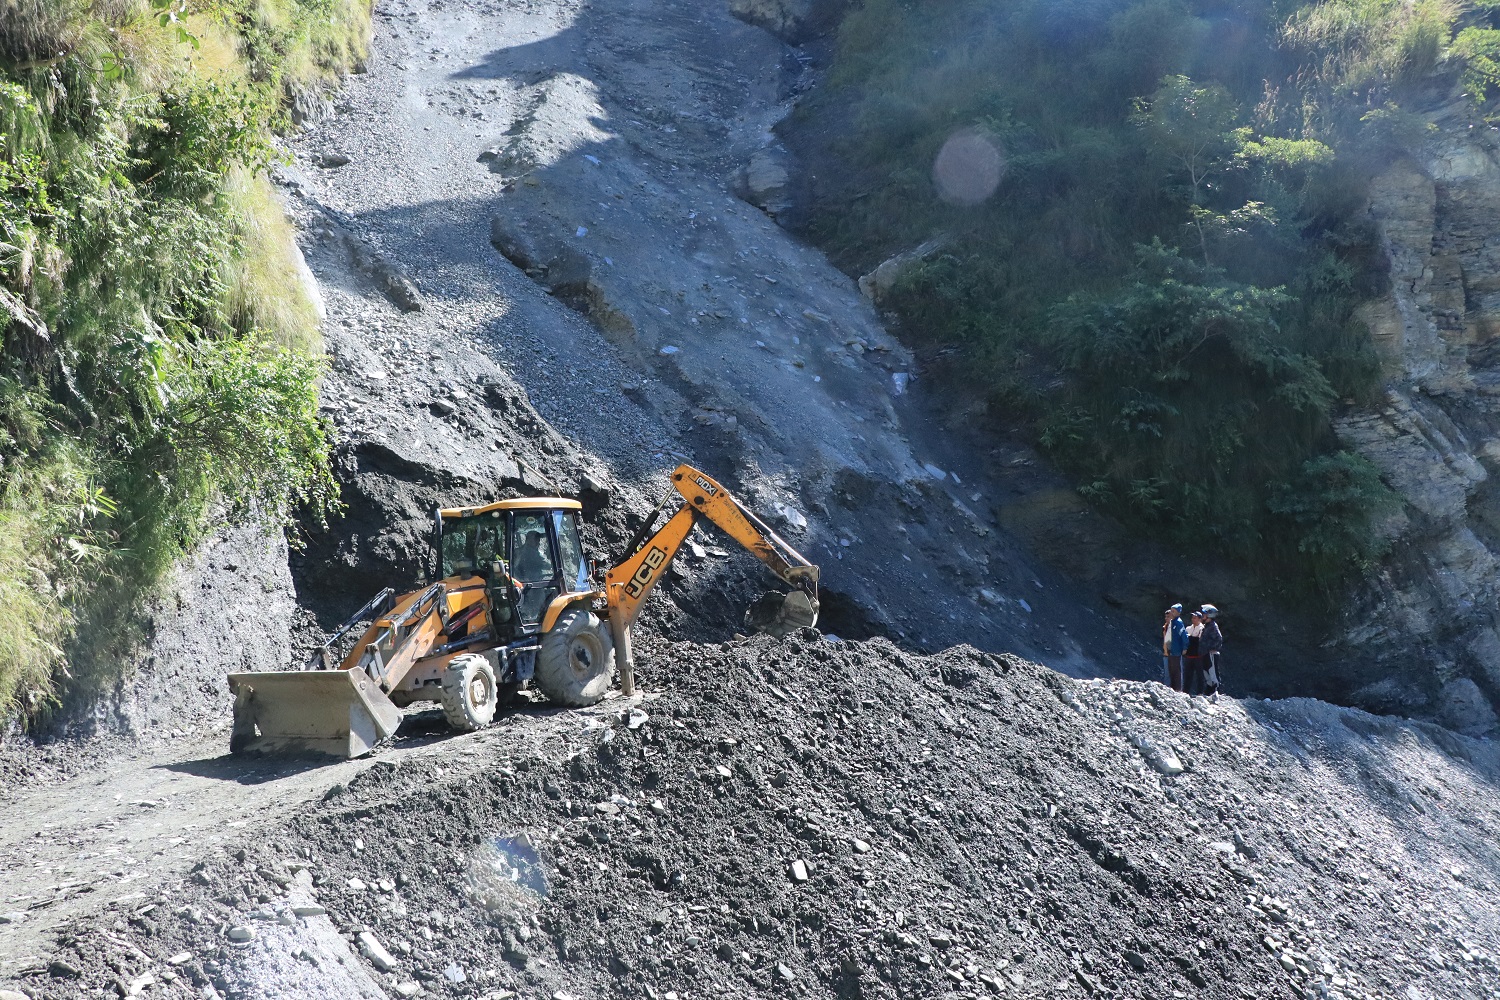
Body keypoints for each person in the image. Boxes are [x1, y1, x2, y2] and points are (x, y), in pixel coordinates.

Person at [1161, 604, 1188, 691]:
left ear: (1178, 612)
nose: (1171, 613)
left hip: (1176, 651)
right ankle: (1172, 689)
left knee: (1177, 671)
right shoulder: (1172, 622)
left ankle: (1178, 689)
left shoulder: (1178, 623)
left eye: (1173, 611)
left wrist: (1185, 647)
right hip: (1170, 651)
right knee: (1171, 670)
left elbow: (1184, 636)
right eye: (1171, 610)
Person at [1199, 604, 1223, 695]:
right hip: (1205, 653)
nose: (1202, 616)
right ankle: (1209, 689)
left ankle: (1216, 691)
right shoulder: (1207, 625)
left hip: (1211, 653)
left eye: (1204, 614)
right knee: (1206, 671)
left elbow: (1219, 639)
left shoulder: (1213, 626)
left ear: (1209, 615)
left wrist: (1212, 648)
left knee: (1213, 672)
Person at [1183, 609, 1206, 695]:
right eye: (1192, 617)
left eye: (1195, 618)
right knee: (1187, 675)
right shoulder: (1188, 628)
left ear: (1200, 619)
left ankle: (1200, 693)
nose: (1193, 619)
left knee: (1200, 676)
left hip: (1198, 656)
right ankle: (1185, 692)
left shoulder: (1202, 629)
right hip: (1189, 656)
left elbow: (1200, 641)